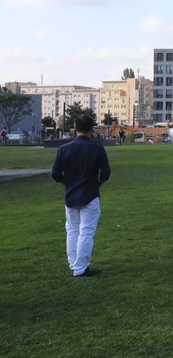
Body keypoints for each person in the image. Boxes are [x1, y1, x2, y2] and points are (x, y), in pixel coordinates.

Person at [51, 114, 111, 276]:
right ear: (91, 129)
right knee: (86, 232)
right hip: (90, 194)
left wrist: (67, 183)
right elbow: (105, 173)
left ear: (75, 129)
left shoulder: (64, 149)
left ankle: (74, 264)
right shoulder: (97, 148)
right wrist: (97, 184)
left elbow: (55, 174)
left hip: (71, 195)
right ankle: (81, 268)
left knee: (72, 231)